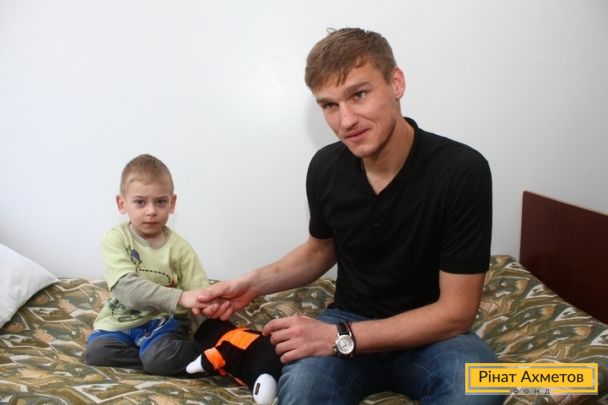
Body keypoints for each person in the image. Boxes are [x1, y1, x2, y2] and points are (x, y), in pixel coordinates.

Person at [196, 28, 503, 404]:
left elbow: (457, 312)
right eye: (329, 105)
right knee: (303, 392)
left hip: (432, 334)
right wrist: (251, 284)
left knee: (481, 386)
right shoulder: (325, 167)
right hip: (349, 318)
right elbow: (320, 249)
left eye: (359, 95)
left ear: (396, 83)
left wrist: (339, 337)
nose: (346, 121)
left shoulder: (462, 170)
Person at [83, 153, 209, 376]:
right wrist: (180, 297)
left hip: (163, 324)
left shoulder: (180, 248)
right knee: (96, 353)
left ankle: (208, 357)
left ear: (172, 203)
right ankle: (153, 359)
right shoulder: (115, 239)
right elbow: (127, 288)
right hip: (120, 325)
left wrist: (212, 318)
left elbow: (200, 295)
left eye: (160, 202)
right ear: (122, 203)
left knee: (160, 356)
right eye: (140, 202)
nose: (151, 211)